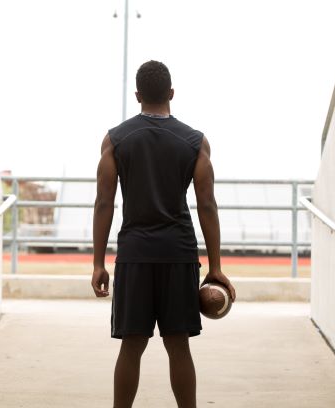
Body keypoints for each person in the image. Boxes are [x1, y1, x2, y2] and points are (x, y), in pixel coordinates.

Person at [91, 60, 236, 408]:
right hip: (179, 254)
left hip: (135, 256)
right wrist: (215, 266)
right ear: (171, 93)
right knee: (178, 346)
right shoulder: (195, 142)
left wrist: (98, 263)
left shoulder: (115, 140)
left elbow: (103, 204)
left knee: (132, 345)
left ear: (138, 95)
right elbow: (207, 205)